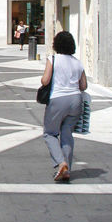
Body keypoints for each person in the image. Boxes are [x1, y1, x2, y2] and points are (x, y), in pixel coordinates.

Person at [40, 31, 87, 182]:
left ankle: (61, 163)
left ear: (56, 44)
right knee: (67, 133)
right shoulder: (78, 62)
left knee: (50, 133)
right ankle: (67, 169)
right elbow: (84, 85)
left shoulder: (53, 59)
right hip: (76, 100)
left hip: (58, 99)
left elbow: (45, 81)